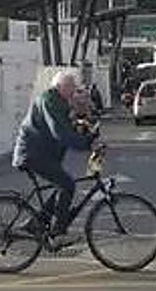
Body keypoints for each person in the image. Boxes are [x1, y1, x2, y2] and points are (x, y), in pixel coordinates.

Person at [12, 70, 99, 241]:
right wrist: (86, 143)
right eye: (70, 87)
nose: (73, 90)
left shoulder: (60, 101)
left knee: (61, 185)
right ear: (59, 86)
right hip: (33, 154)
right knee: (67, 185)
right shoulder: (49, 101)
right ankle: (58, 231)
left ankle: (35, 223)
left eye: (74, 87)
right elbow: (60, 132)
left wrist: (87, 132)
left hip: (42, 154)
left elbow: (71, 126)